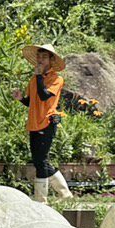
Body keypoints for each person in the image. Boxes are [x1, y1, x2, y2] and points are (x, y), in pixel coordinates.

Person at [17, 43, 73, 204]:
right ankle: (65, 195)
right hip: (34, 122)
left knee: (41, 161)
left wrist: (40, 76)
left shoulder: (56, 79)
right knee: (38, 161)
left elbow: (43, 96)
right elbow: (32, 102)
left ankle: (41, 201)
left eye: (44, 57)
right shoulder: (34, 79)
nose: (41, 60)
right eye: (39, 56)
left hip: (48, 122)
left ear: (51, 60)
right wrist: (21, 98)